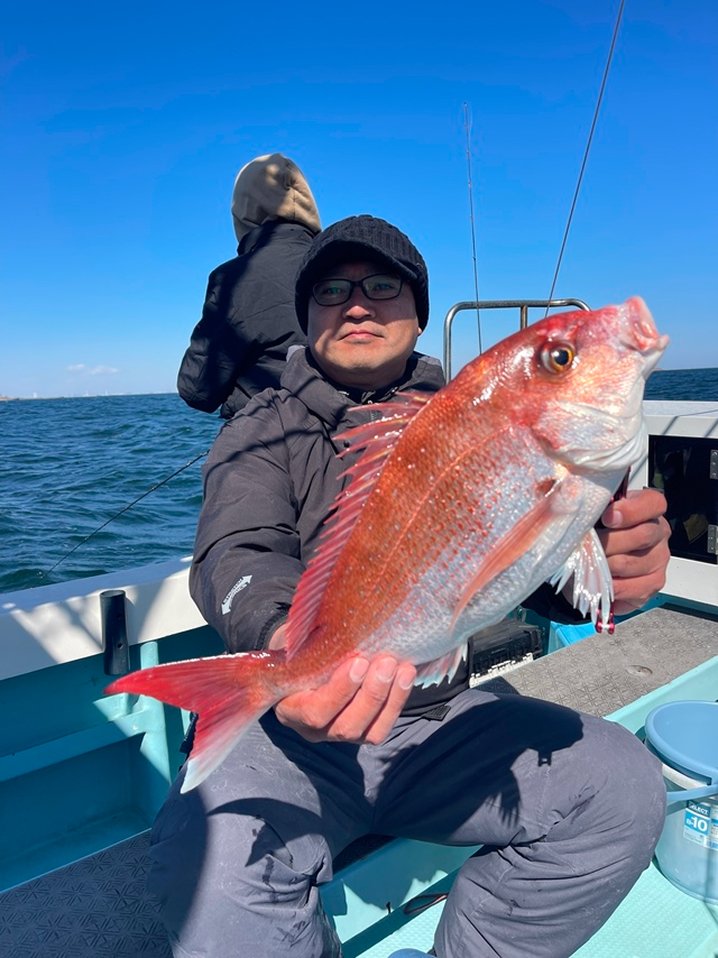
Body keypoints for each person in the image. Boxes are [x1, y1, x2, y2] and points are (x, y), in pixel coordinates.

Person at [149, 215, 672, 958]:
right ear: (305, 317)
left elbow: (517, 569)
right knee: (200, 865)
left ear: (418, 310)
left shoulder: (478, 414)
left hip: (441, 720)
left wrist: (612, 572)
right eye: (330, 289)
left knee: (625, 788)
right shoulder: (260, 427)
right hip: (302, 731)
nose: (356, 303)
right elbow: (237, 550)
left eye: (382, 285)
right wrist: (279, 647)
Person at [177, 152, 321, 419]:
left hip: (268, 443)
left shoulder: (234, 278)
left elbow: (196, 390)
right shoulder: (339, 260)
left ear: (242, 213)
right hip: (354, 439)